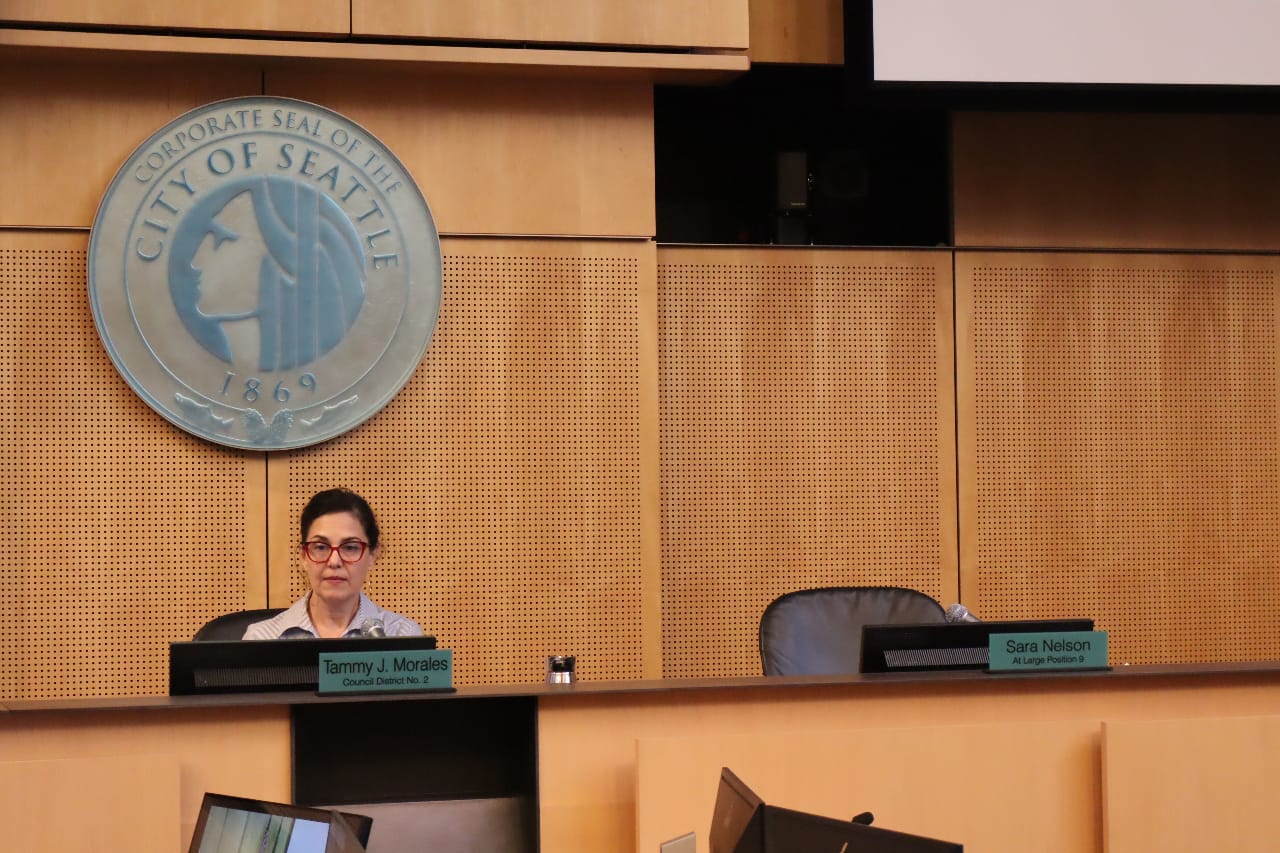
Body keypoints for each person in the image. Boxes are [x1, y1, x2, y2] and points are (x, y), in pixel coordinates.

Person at [243, 488, 424, 639]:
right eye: (321, 547)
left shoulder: (401, 634)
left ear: (372, 555)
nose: (334, 561)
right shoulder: (262, 638)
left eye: (350, 547)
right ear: (303, 556)